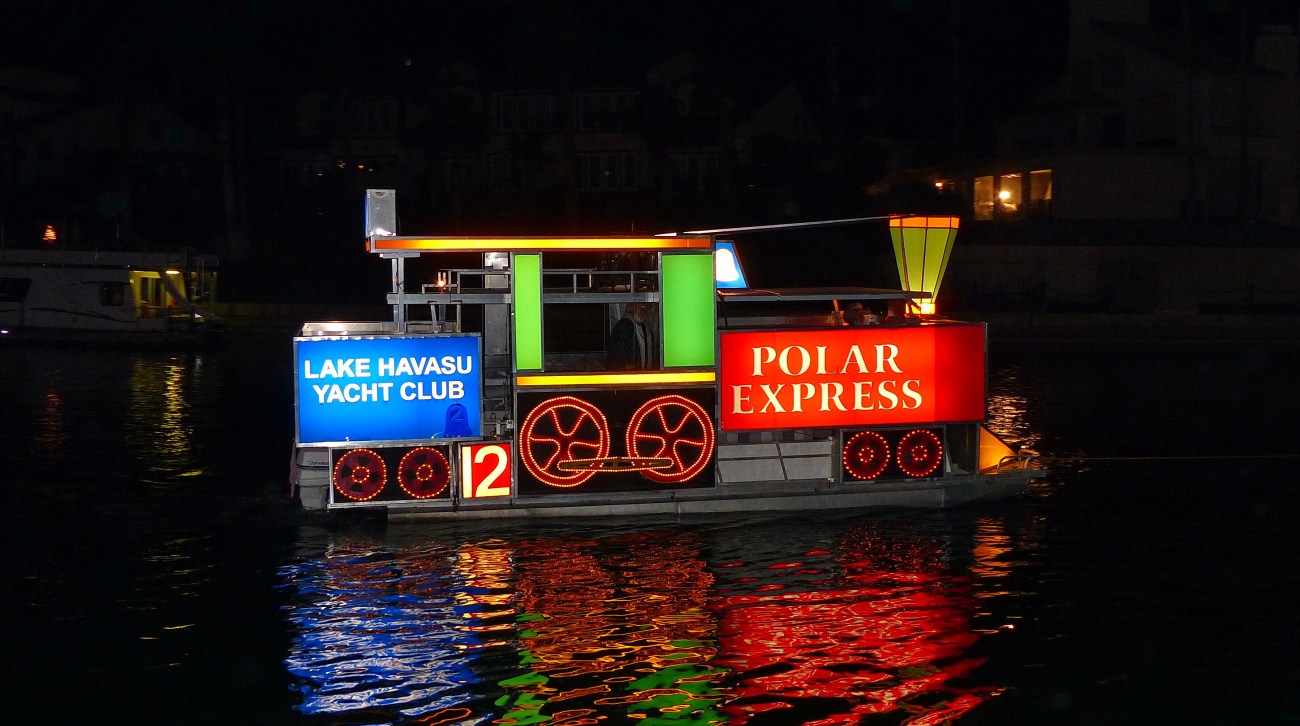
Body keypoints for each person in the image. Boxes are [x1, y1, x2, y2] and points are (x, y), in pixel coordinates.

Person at [609, 302, 653, 369]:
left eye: (645, 309)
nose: (642, 311)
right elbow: (617, 354)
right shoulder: (623, 326)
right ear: (631, 308)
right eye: (640, 307)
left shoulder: (645, 330)